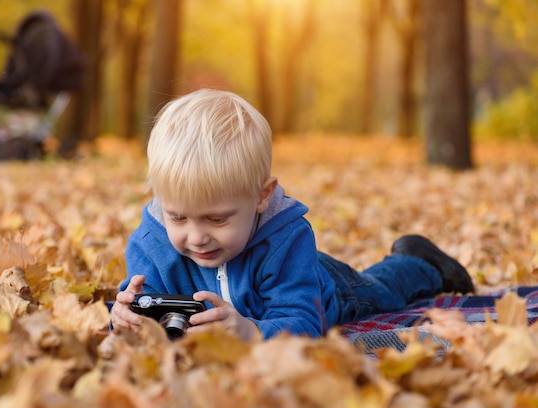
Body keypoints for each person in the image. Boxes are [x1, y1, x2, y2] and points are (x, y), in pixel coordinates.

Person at [110, 89, 474, 341]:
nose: (196, 237)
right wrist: (127, 320)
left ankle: (417, 261)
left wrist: (250, 333)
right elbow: (151, 312)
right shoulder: (151, 244)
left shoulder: (287, 239)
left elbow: (304, 323)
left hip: (321, 286)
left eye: (217, 219)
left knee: (380, 291)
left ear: (261, 197)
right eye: (178, 217)